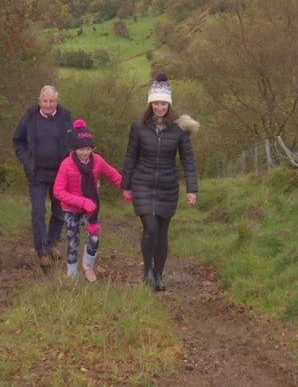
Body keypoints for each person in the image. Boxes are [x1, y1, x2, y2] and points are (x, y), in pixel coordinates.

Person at [122, 73, 199, 292]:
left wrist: (191, 188)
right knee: (150, 228)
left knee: (162, 232)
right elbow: (130, 157)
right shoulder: (138, 126)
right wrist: (126, 186)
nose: (159, 107)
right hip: (143, 183)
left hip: (167, 185)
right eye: (155, 103)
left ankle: (159, 274)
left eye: (163, 103)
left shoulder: (179, 129)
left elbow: (188, 160)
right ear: (150, 103)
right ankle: (147, 270)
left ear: (169, 104)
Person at [53, 119, 123, 282]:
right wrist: (82, 202)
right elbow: (58, 191)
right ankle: (72, 273)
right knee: (72, 241)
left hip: (91, 209)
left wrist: (126, 187)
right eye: (81, 149)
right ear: (75, 149)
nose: (85, 153)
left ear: (92, 148)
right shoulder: (66, 164)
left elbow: (113, 174)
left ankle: (88, 266)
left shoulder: (97, 161)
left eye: (88, 149)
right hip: (71, 209)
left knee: (94, 239)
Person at [12, 85, 74, 272]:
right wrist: (26, 160)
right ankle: (42, 252)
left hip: (60, 174)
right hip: (37, 173)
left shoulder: (66, 117)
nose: (47, 104)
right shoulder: (30, 117)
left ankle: (52, 243)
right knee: (38, 212)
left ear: (57, 101)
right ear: (39, 101)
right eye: (44, 101)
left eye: (51, 101)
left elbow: (75, 141)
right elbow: (18, 140)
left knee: (59, 212)